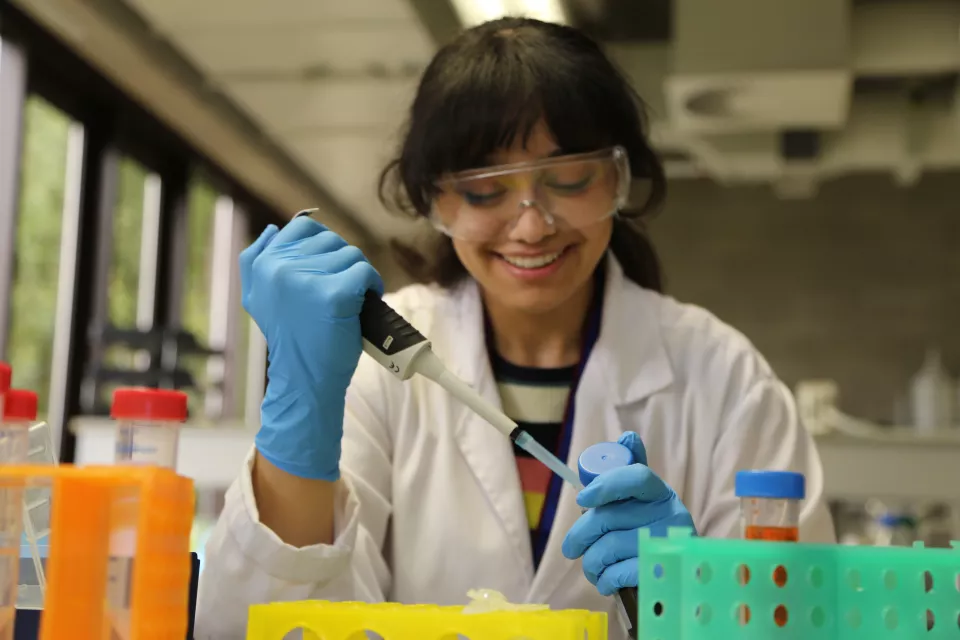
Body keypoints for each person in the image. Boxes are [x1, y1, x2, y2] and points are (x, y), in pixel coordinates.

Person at [196, 16, 835, 639]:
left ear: (618, 176)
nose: (531, 227)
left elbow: (806, 624)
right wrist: (298, 403)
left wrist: (694, 599)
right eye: (483, 192)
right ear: (434, 201)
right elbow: (267, 627)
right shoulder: (375, 366)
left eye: (570, 179)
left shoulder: (721, 376)